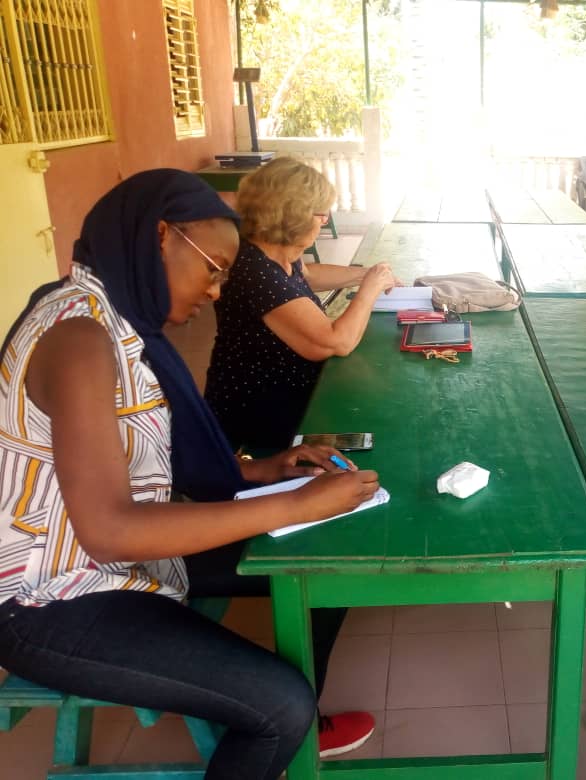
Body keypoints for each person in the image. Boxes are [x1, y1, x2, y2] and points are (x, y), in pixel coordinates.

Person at [0, 170, 382, 779]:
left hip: (119, 560)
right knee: (281, 704)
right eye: (212, 269)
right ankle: (288, 727)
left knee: (324, 564)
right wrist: (293, 504)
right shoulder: (79, 336)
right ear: (160, 239)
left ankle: (298, 735)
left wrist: (259, 470)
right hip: (52, 597)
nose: (215, 290)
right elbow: (109, 531)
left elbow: (133, 454)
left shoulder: (119, 323)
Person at [205, 156, 396, 451]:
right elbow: (335, 342)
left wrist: (365, 275)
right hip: (259, 417)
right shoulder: (256, 272)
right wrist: (369, 290)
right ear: (292, 216)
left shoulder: (277, 252)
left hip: (286, 397)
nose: (325, 221)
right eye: (321, 214)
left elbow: (308, 275)